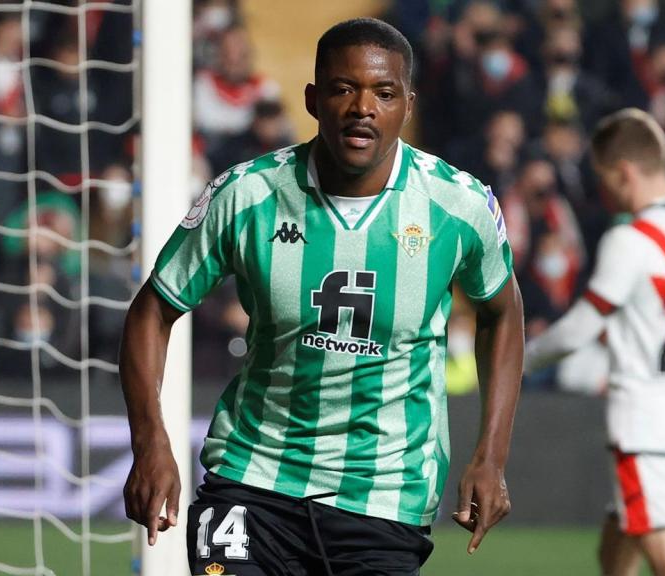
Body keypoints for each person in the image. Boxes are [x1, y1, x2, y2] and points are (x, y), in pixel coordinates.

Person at [120, 18, 524, 576]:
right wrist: (150, 443)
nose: (363, 107)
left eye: (384, 93)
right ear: (313, 99)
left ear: (407, 106)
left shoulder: (458, 205)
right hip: (252, 479)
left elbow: (502, 314)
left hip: (383, 497)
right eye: (343, 88)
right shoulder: (247, 194)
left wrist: (491, 456)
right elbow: (153, 309)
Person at [524, 109, 665, 576]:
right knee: (616, 553)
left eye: (603, 177)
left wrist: (518, 359)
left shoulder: (628, 240)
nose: (603, 191)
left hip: (644, 425)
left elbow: (580, 329)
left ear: (624, 172)